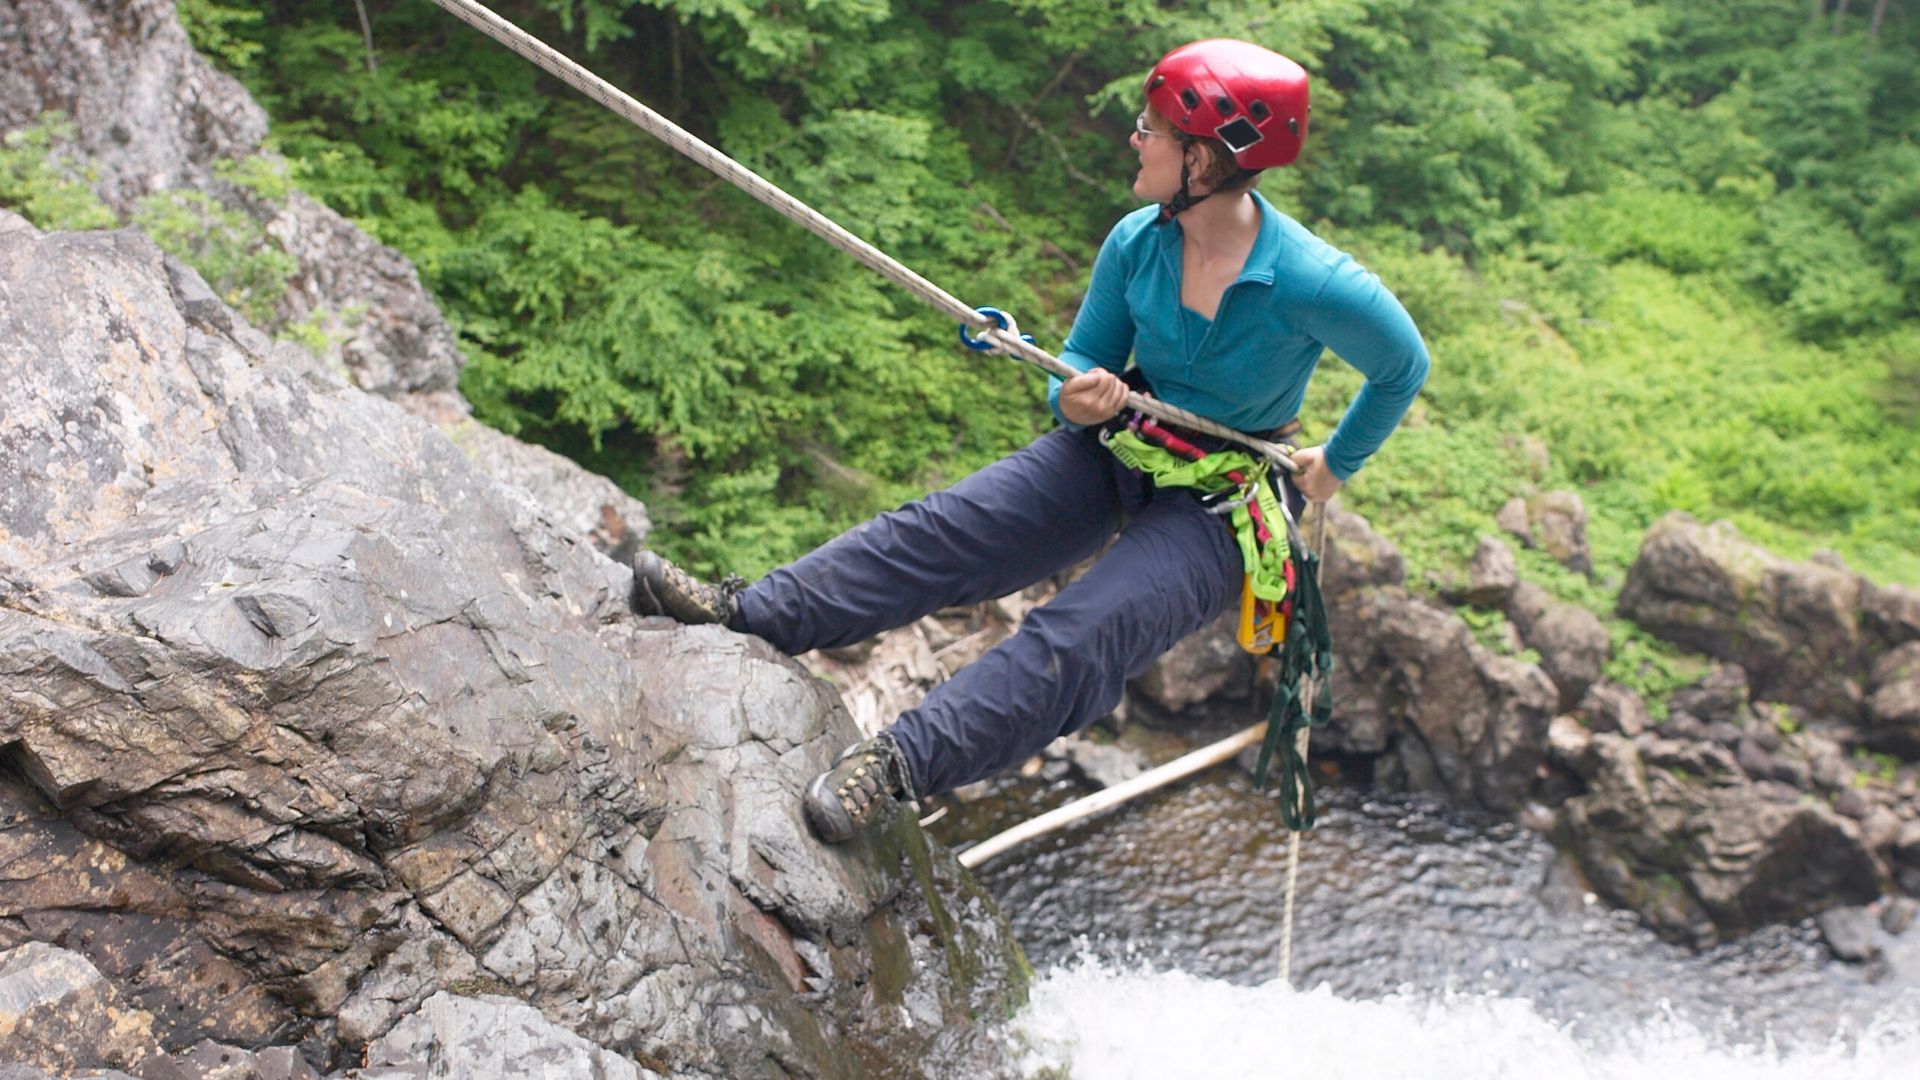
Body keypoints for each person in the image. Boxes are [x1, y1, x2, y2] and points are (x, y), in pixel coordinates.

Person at [633, 39, 1429, 844]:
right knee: (950, 528)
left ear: (1206, 158)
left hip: (1225, 499)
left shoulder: (1312, 280)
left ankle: (899, 764)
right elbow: (1079, 364)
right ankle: (750, 612)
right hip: (1126, 437)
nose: (1134, 139)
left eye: (1151, 128)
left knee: (1086, 632)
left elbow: (1402, 366)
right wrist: (1078, 401)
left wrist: (1337, 463)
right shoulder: (1136, 241)